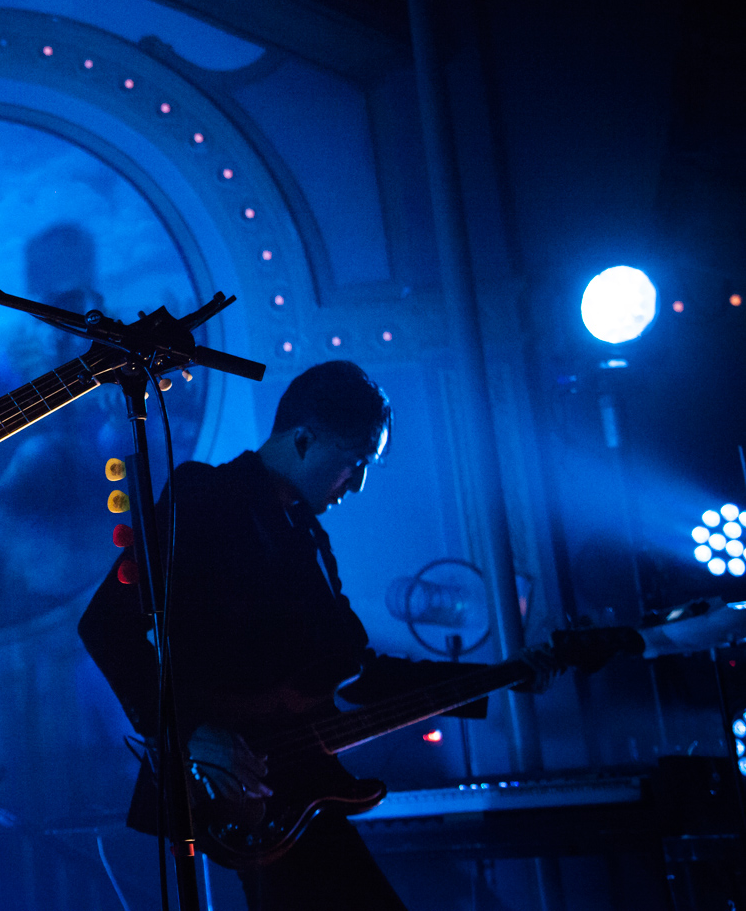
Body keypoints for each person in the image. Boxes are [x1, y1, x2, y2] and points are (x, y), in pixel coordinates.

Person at [78, 361, 558, 910]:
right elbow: (105, 624)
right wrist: (189, 730)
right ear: (303, 440)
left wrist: (505, 676)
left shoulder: (308, 535)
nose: (356, 484)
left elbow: (358, 672)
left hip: (296, 786)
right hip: (229, 789)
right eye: (353, 462)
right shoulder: (207, 495)